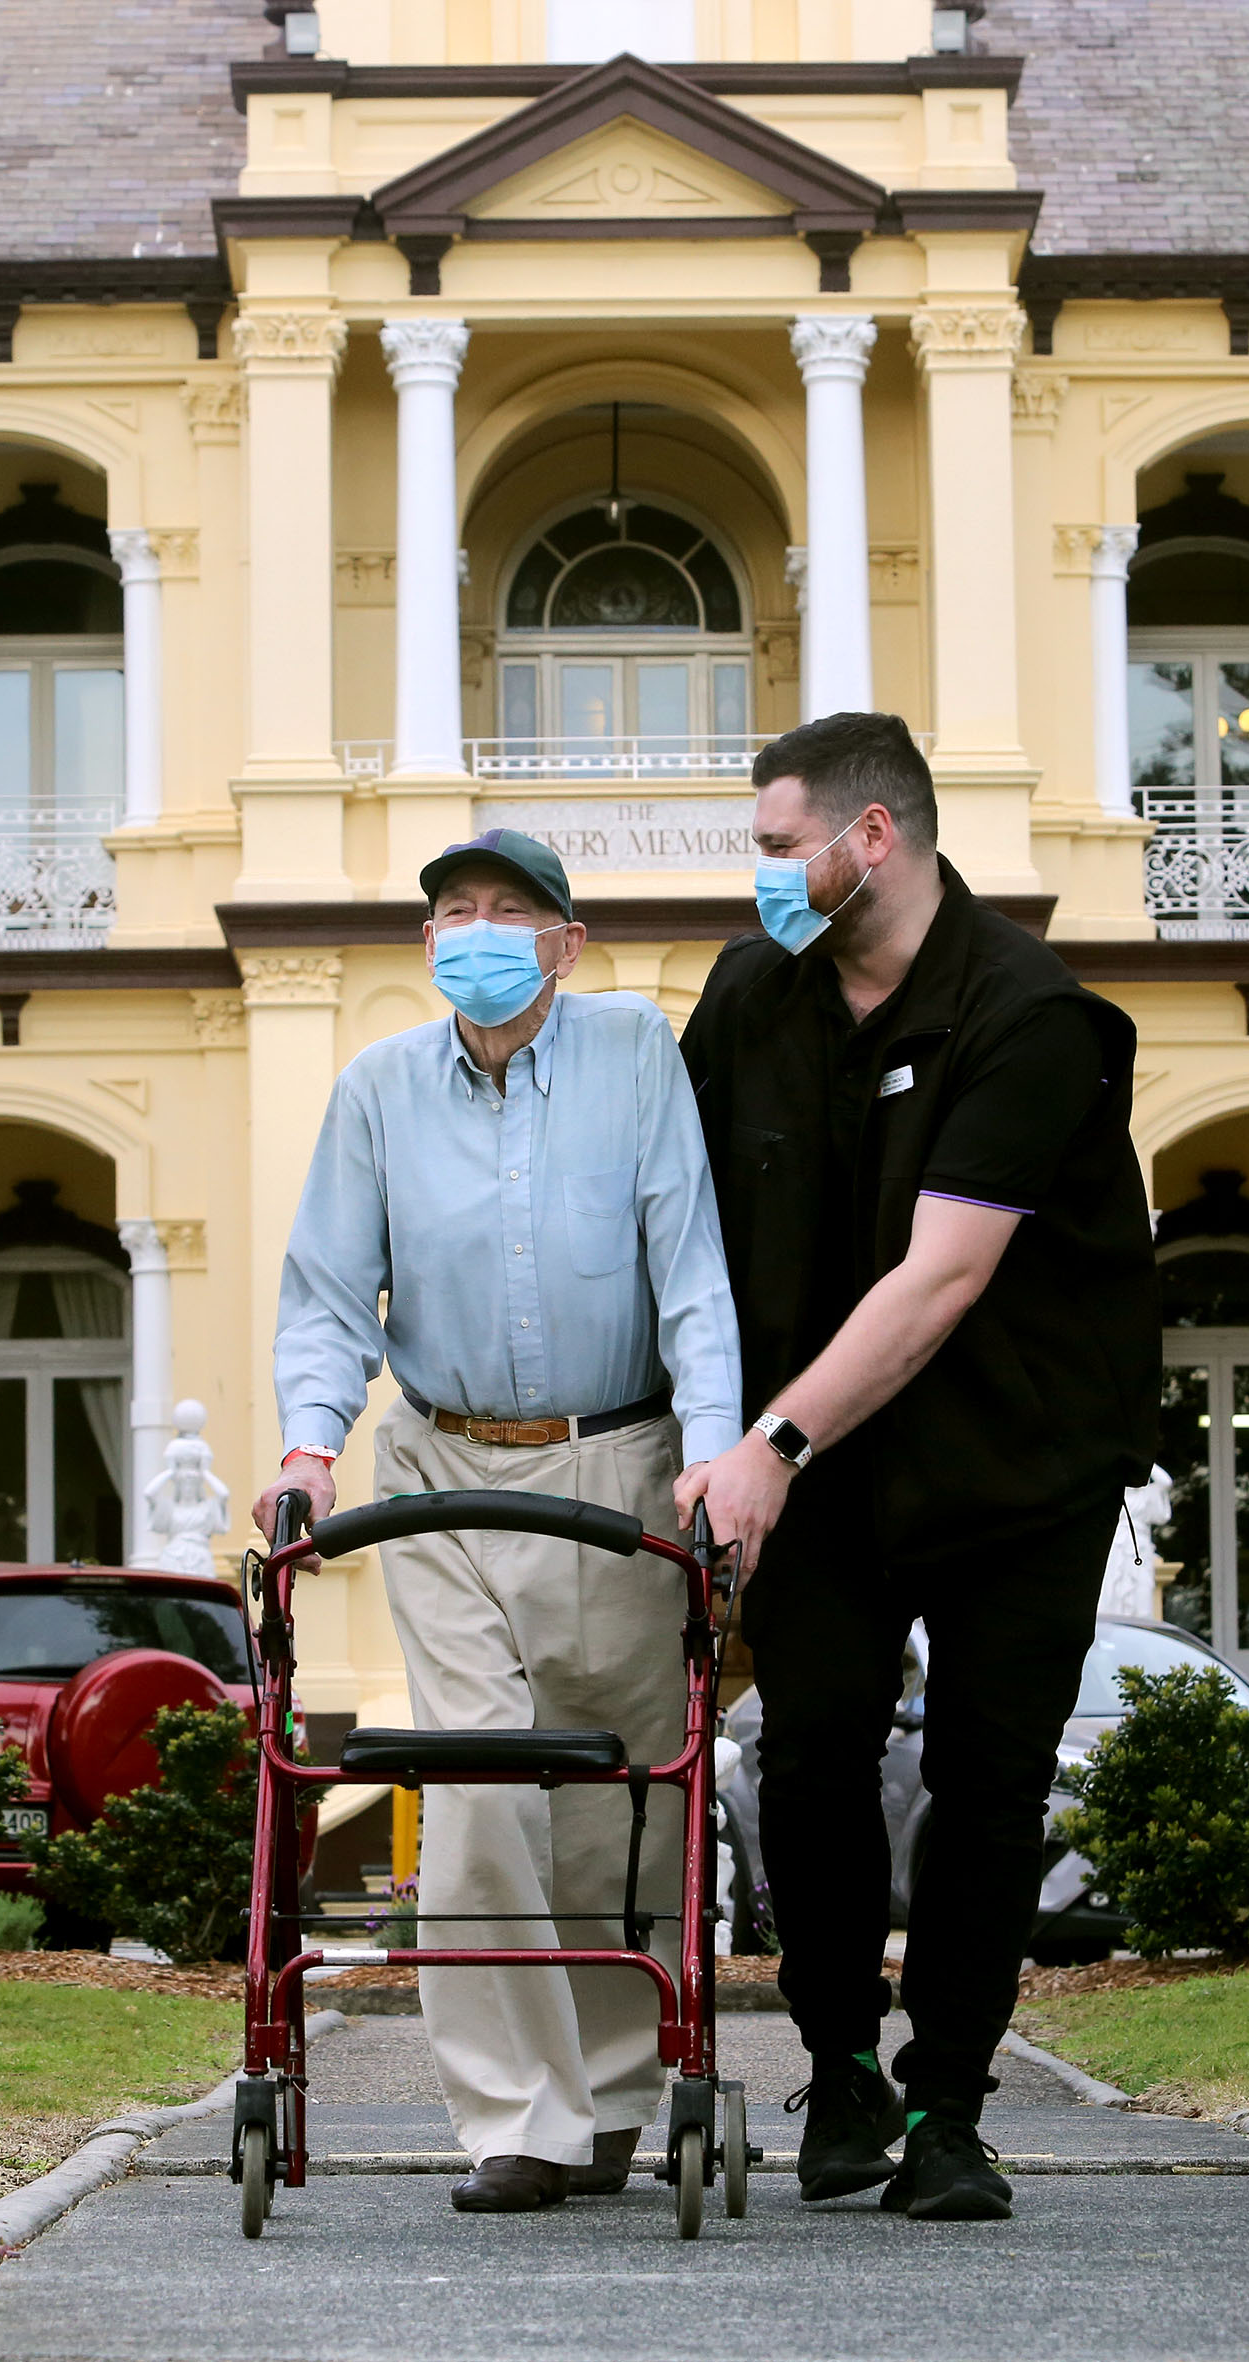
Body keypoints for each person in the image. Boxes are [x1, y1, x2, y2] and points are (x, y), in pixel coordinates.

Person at [676, 712, 1157, 2224]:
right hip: (823, 1466)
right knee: (809, 1759)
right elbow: (675, 1219)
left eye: (775, 844)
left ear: (869, 836)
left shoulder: (1029, 1012)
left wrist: (771, 1443)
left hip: (1020, 1459)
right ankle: (842, 2068)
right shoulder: (755, 995)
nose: (759, 875)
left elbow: (940, 1279)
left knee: (985, 1775)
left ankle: (952, 2101)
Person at [262, 827, 743, 2216]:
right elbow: (329, 1293)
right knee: (478, 1792)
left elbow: (691, 1268)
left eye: (508, 909)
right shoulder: (375, 1090)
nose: (475, 929)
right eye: (452, 911)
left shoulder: (636, 1054)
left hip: (622, 1462)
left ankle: (604, 2102)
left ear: (565, 942)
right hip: (444, 1468)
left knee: (614, 1811)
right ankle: (514, 2119)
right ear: (428, 946)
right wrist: (309, 1446)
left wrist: (712, 1457)